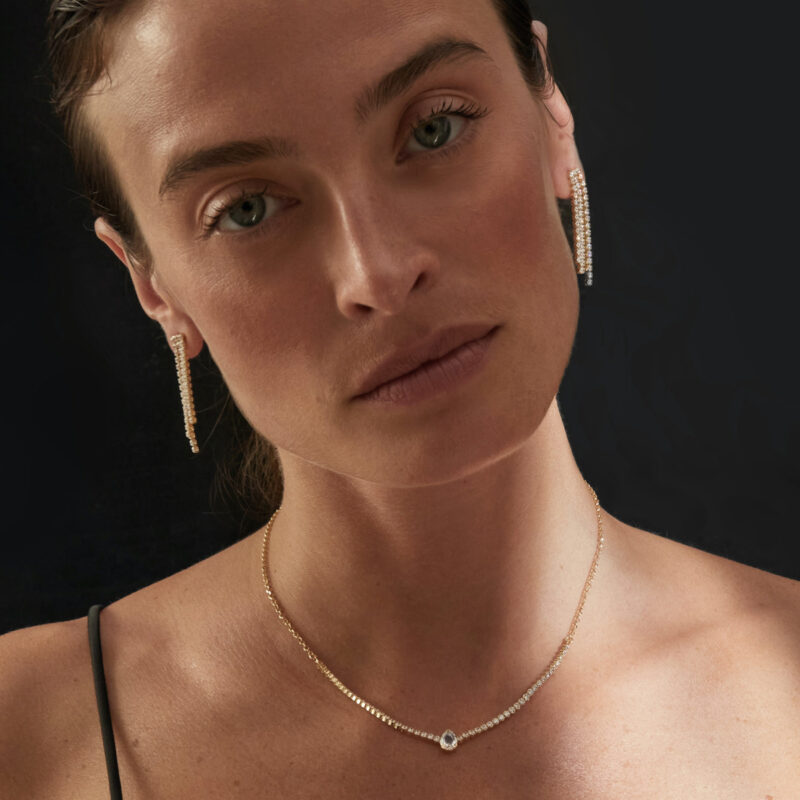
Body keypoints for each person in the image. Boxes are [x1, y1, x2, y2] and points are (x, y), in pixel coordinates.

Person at [1, 0, 798, 796]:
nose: (378, 274)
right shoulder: (28, 737)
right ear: (153, 285)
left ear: (550, 110)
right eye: (247, 209)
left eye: (435, 128)